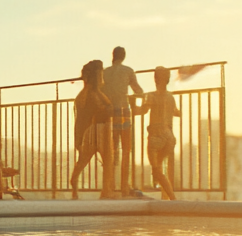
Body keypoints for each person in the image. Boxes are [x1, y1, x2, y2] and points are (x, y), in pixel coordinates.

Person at [69, 59, 115, 199]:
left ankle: (106, 191)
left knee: (105, 161)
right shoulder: (87, 96)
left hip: (102, 129)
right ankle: (77, 186)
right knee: (86, 161)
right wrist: (79, 139)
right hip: (94, 131)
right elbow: (81, 119)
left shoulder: (95, 94)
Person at [133, 66, 181, 200]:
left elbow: (142, 111)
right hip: (169, 137)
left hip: (156, 136)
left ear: (155, 79)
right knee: (159, 166)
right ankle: (162, 191)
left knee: (157, 169)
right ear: (167, 80)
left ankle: (172, 197)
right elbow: (177, 112)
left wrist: (131, 108)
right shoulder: (170, 97)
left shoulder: (151, 96)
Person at [104, 46, 144, 197]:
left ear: (113, 56)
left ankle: (109, 185)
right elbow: (138, 90)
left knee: (111, 150)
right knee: (126, 149)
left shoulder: (105, 72)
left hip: (108, 114)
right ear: (124, 56)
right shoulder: (128, 71)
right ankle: (124, 186)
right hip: (123, 112)